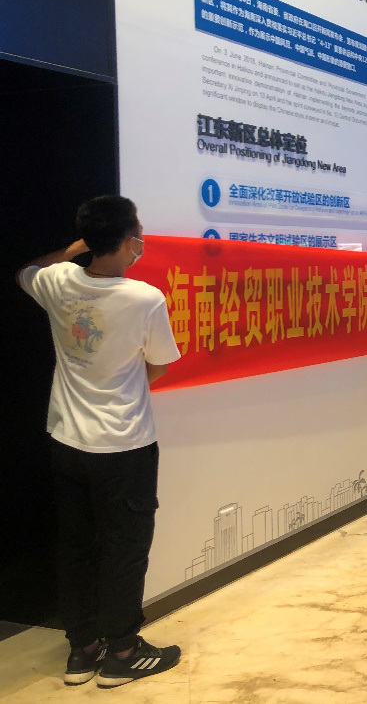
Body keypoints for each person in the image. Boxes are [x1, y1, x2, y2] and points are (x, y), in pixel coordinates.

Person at [16, 196, 182, 687]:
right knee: (124, 548)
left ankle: (82, 650)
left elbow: (26, 271)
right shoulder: (144, 299)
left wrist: (72, 252)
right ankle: (123, 652)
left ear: (87, 240)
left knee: (76, 547)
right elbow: (159, 365)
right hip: (124, 445)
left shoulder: (58, 281)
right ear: (129, 241)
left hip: (67, 440)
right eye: (138, 235)